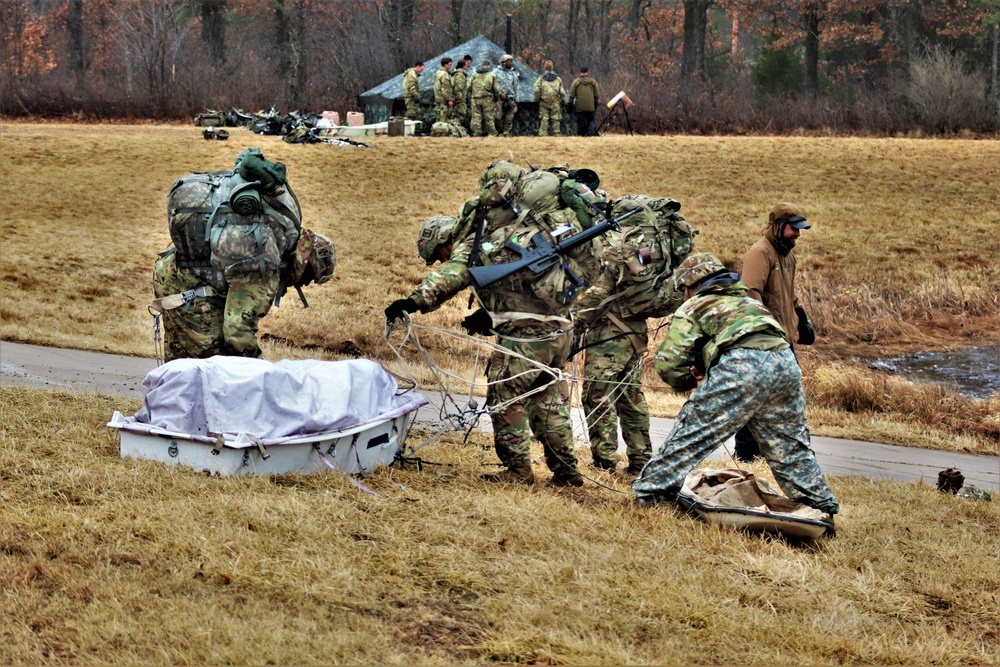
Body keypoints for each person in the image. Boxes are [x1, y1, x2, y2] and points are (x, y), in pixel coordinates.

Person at [385, 163, 603, 487]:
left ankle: (517, 473)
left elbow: (452, 276)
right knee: (550, 404)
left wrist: (412, 302)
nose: (443, 258)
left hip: (526, 336)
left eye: (439, 253)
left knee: (505, 397)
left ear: (445, 240)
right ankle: (567, 473)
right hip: (559, 330)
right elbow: (520, 285)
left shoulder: (475, 240)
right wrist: (489, 317)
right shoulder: (514, 232)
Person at [631, 253, 839, 521]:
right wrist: (710, 367)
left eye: (684, 290)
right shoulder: (749, 303)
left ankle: (650, 493)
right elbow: (738, 337)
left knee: (693, 433)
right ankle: (821, 505)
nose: (683, 296)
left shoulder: (696, 304)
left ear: (692, 285)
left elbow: (668, 363)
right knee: (790, 446)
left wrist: (687, 381)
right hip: (785, 364)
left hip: (742, 365)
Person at [732, 203, 816, 461]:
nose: (798, 235)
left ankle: (787, 451)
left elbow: (789, 295)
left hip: (784, 340)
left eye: (800, 229)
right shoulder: (760, 253)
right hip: (764, 341)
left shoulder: (788, 255)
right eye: (794, 229)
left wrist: (801, 321)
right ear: (779, 227)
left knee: (788, 396)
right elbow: (750, 294)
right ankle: (746, 454)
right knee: (756, 396)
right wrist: (765, 331)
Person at [467, 60, 500, 137]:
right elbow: (496, 89)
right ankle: (492, 133)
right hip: (487, 99)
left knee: (476, 117)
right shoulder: (492, 75)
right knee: (489, 117)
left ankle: (476, 133)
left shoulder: (474, 75)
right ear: (489, 66)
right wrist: (496, 99)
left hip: (475, 98)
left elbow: (468, 87)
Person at [534, 60, 566, 137]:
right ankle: (556, 133)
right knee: (555, 118)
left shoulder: (541, 79)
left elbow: (536, 90)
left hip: (544, 102)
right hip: (555, 102)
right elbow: (562, 92)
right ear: (552, 68)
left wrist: (538, 99)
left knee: (544, 118)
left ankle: (543, 134)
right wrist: (563, 101)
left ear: (545, 68)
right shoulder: (558, 79)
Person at [569, 65, 600, 136]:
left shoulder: (576, 82)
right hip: (590, 107)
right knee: (591, 121)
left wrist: (570, 105)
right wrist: (595, 104)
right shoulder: (593, 82)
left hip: (580, 107)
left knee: (581, 121)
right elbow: (597, 95)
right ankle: (591, 134)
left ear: (580, 72)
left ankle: (582, 135)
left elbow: (571, 95)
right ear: (587, 72)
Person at [494, 54, 521, 136]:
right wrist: (499, 94)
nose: (511, 63)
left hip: (510, 99)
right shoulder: (496, 72)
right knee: (498, 117)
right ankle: (500, 132)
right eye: (509, 61)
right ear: (504, 63)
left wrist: (517, 100)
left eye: (511, 61)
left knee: (509, 118)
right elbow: (492, 86)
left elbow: (517, 86)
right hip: (499, 99)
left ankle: (506, 133)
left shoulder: (513, 73)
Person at [433, 57, 454, 123]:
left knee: (438, 117)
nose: (451, 66)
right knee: (443, 118)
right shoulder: (445, 74)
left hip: (437, 98)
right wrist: (449, 99)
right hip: (443, 99)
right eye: (450, 64)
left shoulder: (438, 72)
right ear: (446, 65)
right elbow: (445, 88)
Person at [450, 59, 468, 127]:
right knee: (459, 114)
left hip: (458, 98)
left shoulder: (456, 74)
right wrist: (459, 98)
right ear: (463, 66)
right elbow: (458, 87)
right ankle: (456, 130)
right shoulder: (460, 75)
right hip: (460, 100)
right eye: (466, 65)